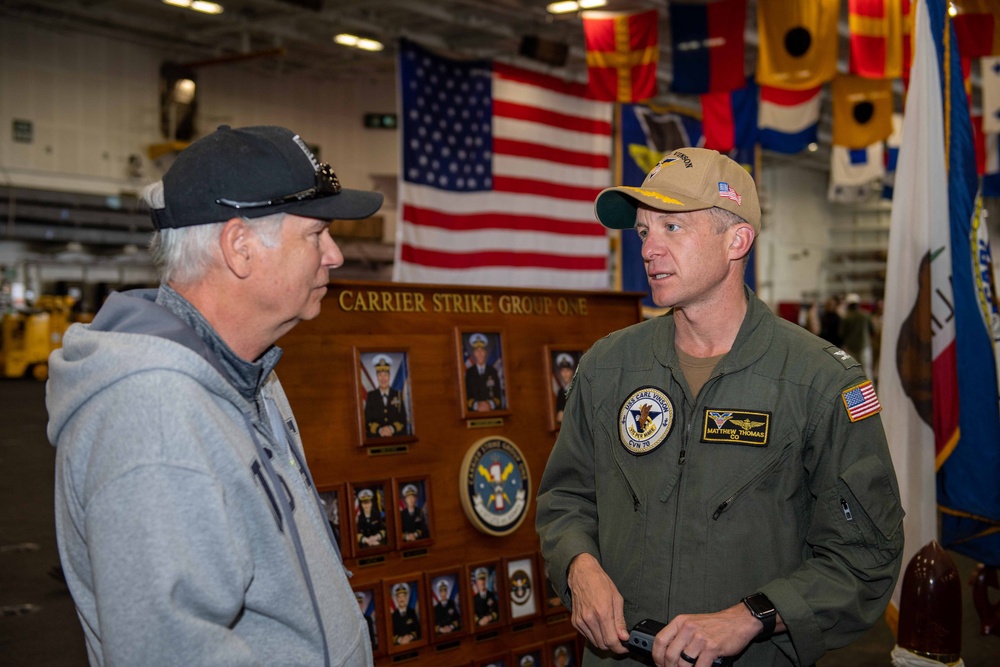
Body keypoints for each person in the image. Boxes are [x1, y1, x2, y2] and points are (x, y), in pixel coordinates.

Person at [535, 147, 904, 667]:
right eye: (643, 231)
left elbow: (865, 556)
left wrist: (752, 615)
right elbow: (565, 497)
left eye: (672, 228)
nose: (649, 249)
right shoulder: (608, 366)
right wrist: (579, 565)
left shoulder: (817, 382)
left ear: (737, 240)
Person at [46, 125, 384, 666]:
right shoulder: (153, 415)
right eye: (316, 234)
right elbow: (168, 651)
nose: (335, 255)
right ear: (240, 247)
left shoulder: (250, 376)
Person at [364, 354, 408, 437]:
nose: (383, 378)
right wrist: (380, 430)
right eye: (380, 375)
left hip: (395, 439)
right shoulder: (371, 396)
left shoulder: (397, 395)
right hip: (376, 440)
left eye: (385, 375)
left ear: (389, 376)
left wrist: (391, 429)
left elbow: (403, 420)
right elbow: (367, 422)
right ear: (377, 377)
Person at [839, 293, 874, 380]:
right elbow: (872, 330)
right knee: (867, 371)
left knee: (853, 373)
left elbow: (841, 333)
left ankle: (856, 393)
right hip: (864, 346)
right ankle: (871, 392)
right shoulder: (866, 315)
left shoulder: (846, 318)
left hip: (851, 348)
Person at [465, 332, 503, 411]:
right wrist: (476, 405)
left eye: (482, 350)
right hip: (474, 413)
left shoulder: (493, 371)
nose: (480, 354)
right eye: (477, 351)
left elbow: (498, 395)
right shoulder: (469, 373)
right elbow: (466, 396)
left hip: (492, 412)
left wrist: (490, 404)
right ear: (474, 353)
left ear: (485, 352)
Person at [554, 353, 576, 424]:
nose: (565, 374)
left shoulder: (576, 388)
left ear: (572, 372)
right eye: (563, 371)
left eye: (567, 371)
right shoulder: (561, 392)